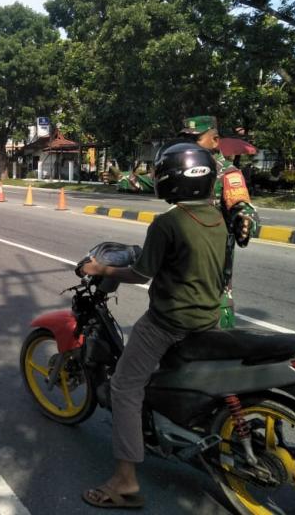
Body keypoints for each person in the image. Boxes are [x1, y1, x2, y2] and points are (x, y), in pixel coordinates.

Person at [80, 143, 226, 509]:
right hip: (208, 318)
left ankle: (125, 481)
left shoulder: (167, 223)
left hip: (169, 322)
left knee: (125, 387)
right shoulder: (216, 218)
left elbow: (141, 272)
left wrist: (101, 269)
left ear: (170, 181)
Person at [180, 115, 258, 328]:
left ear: (214, 141)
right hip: (182, 267)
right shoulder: (184, 168)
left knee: (217, 338)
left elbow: (241, 205)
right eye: (186, 139)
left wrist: (245, 220)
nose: (188, 144)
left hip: (213, 268)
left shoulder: (227, 173)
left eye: (195, 139)